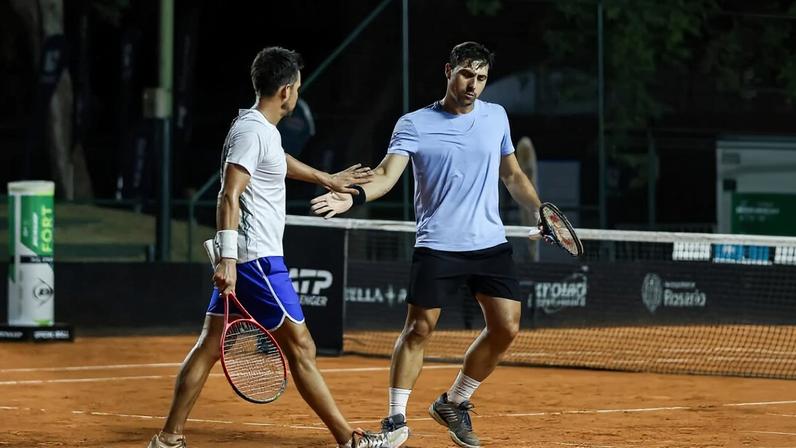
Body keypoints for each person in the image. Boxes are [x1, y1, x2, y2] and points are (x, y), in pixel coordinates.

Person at [147, 46, 408, 448]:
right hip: (255, 261)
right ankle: (350, 439)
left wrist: (327, 179)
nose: (298, 94)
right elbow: (227, 196)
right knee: (303, 346)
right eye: (298, 88)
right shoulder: (251, 131)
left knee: (209, 346)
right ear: (286, 91)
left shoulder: (260, 130)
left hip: (251, 258)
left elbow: (278, 160)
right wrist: (229, 259)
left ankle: (168, 437)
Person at [310, 41, 544, 448]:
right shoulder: (414, 123)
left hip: (489, 242)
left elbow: (512, 175)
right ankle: (395, 417)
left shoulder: (497, 117)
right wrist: (356, 196)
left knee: (506, 327)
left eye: (482, 78)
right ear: (449, 70)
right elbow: (386, 174)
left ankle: (455, 401)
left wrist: (539, 210)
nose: (474, 85)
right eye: (467, 74)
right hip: (438, 243)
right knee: (419, 328)